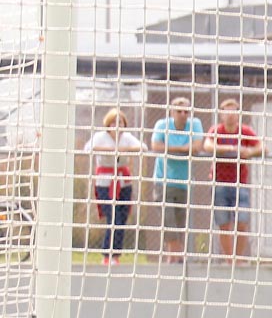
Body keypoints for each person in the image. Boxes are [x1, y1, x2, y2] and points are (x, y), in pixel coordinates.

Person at [204, 98, 263, 262]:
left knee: (242, 222)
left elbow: (262, 147)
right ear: (222, 114)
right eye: (227, 111)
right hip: (219, 183)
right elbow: (208, 146)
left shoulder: (244, 131)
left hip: (240, 184)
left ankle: (238, 258)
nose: (231, 115)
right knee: (224, 225)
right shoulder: (216, 130)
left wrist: (249, 152)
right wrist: (230, 149)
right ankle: (229, 260)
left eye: (234, 111)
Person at [83, 108, 144, 265]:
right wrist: (110, 150)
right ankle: (106, 254)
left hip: (123, 182)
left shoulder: (127, 138)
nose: (117, 126)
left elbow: (142, 147)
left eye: (120, 122)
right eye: (113, 122)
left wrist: (124, 149)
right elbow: (88, 148)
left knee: (121, 219)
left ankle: (115, 255)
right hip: (105, 182)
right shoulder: (100, 137)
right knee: (113, 216)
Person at [150, 97, 205, 264]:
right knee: (168, 219)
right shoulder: (162, 125)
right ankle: (178, 255)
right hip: (163, 180)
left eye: (186, 111)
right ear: (171, 112)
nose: (183, 115)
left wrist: (171, 150)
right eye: (179, 111)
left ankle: (172, 258)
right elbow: (156, 146)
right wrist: (182, 150)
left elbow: (196, 147)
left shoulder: (194, 124)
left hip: (183, 182)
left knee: (180, 222)